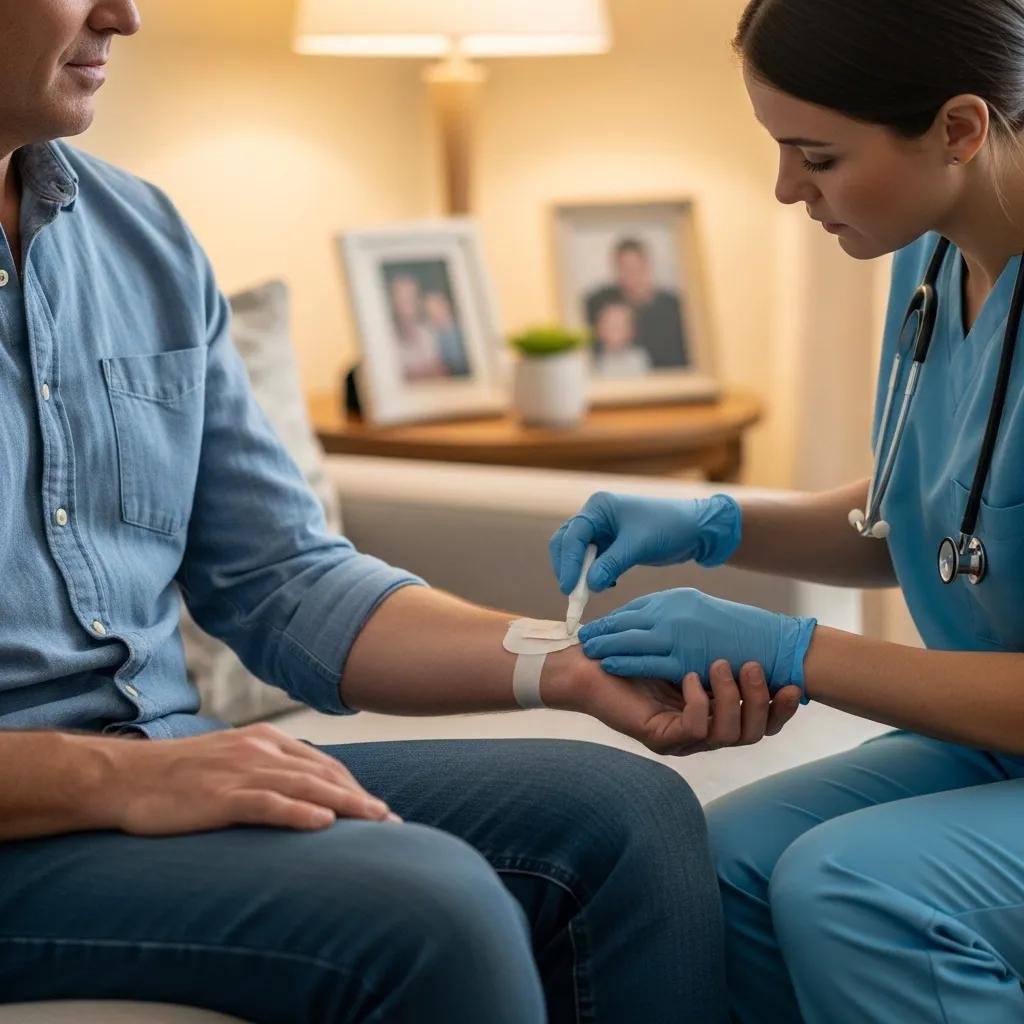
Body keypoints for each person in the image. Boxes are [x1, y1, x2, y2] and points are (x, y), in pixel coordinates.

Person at [0, 2, 755, 1021]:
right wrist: (106, 781)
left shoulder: (142, 236)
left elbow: (282, 577)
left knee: (627, 815)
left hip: (161, 764)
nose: (122, 15)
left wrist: (567, 660)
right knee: (429, 909)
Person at [552, 1, 1024, 1020]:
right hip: (991, 745)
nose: (782, 189)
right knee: (718, 865)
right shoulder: (931, 254)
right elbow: (943, 518)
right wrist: (716, 522)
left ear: (957, 128)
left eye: (815, 154)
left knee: (853, 885)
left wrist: (794, 647)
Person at [585, 238, 689, 369]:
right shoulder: (602, 303)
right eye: (624, 269)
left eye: (636, 268)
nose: (630, 275)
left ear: (647, 266)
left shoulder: (673, 306)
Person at [387, 273, 448, 381]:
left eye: (411, 297)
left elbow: (441, 371)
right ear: (393, 302)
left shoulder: (428, 332)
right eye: (401, 298)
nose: (407, 303)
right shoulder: (387, 337)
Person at [592, 300, 651, 379]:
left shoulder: (639, 359)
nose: (615, 331)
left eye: (621, 326)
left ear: (631, 331)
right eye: (610, 325)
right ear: (599, 330)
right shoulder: (592, 361)